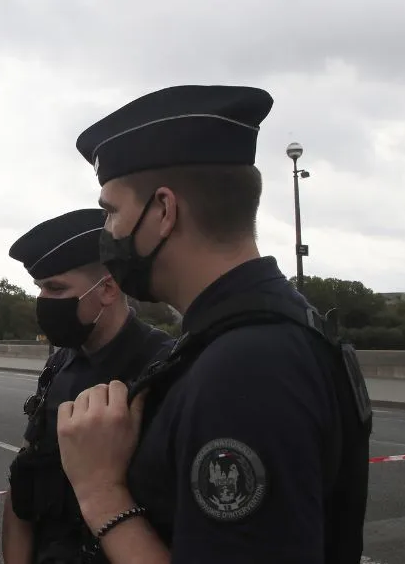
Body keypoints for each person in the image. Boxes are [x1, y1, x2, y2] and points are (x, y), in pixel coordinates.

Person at [55, 85, 373, 563]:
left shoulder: (246, 368)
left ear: (164, 211)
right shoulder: (261, 334)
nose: (107, 233)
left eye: (112, 212)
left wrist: (101, 492)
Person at [1, 208, 172, 564]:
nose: (43, 301)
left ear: (107, 288)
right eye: (40, 288)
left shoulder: (163, 370)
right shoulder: (59, 365)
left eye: (56, 288)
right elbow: (23, 484)